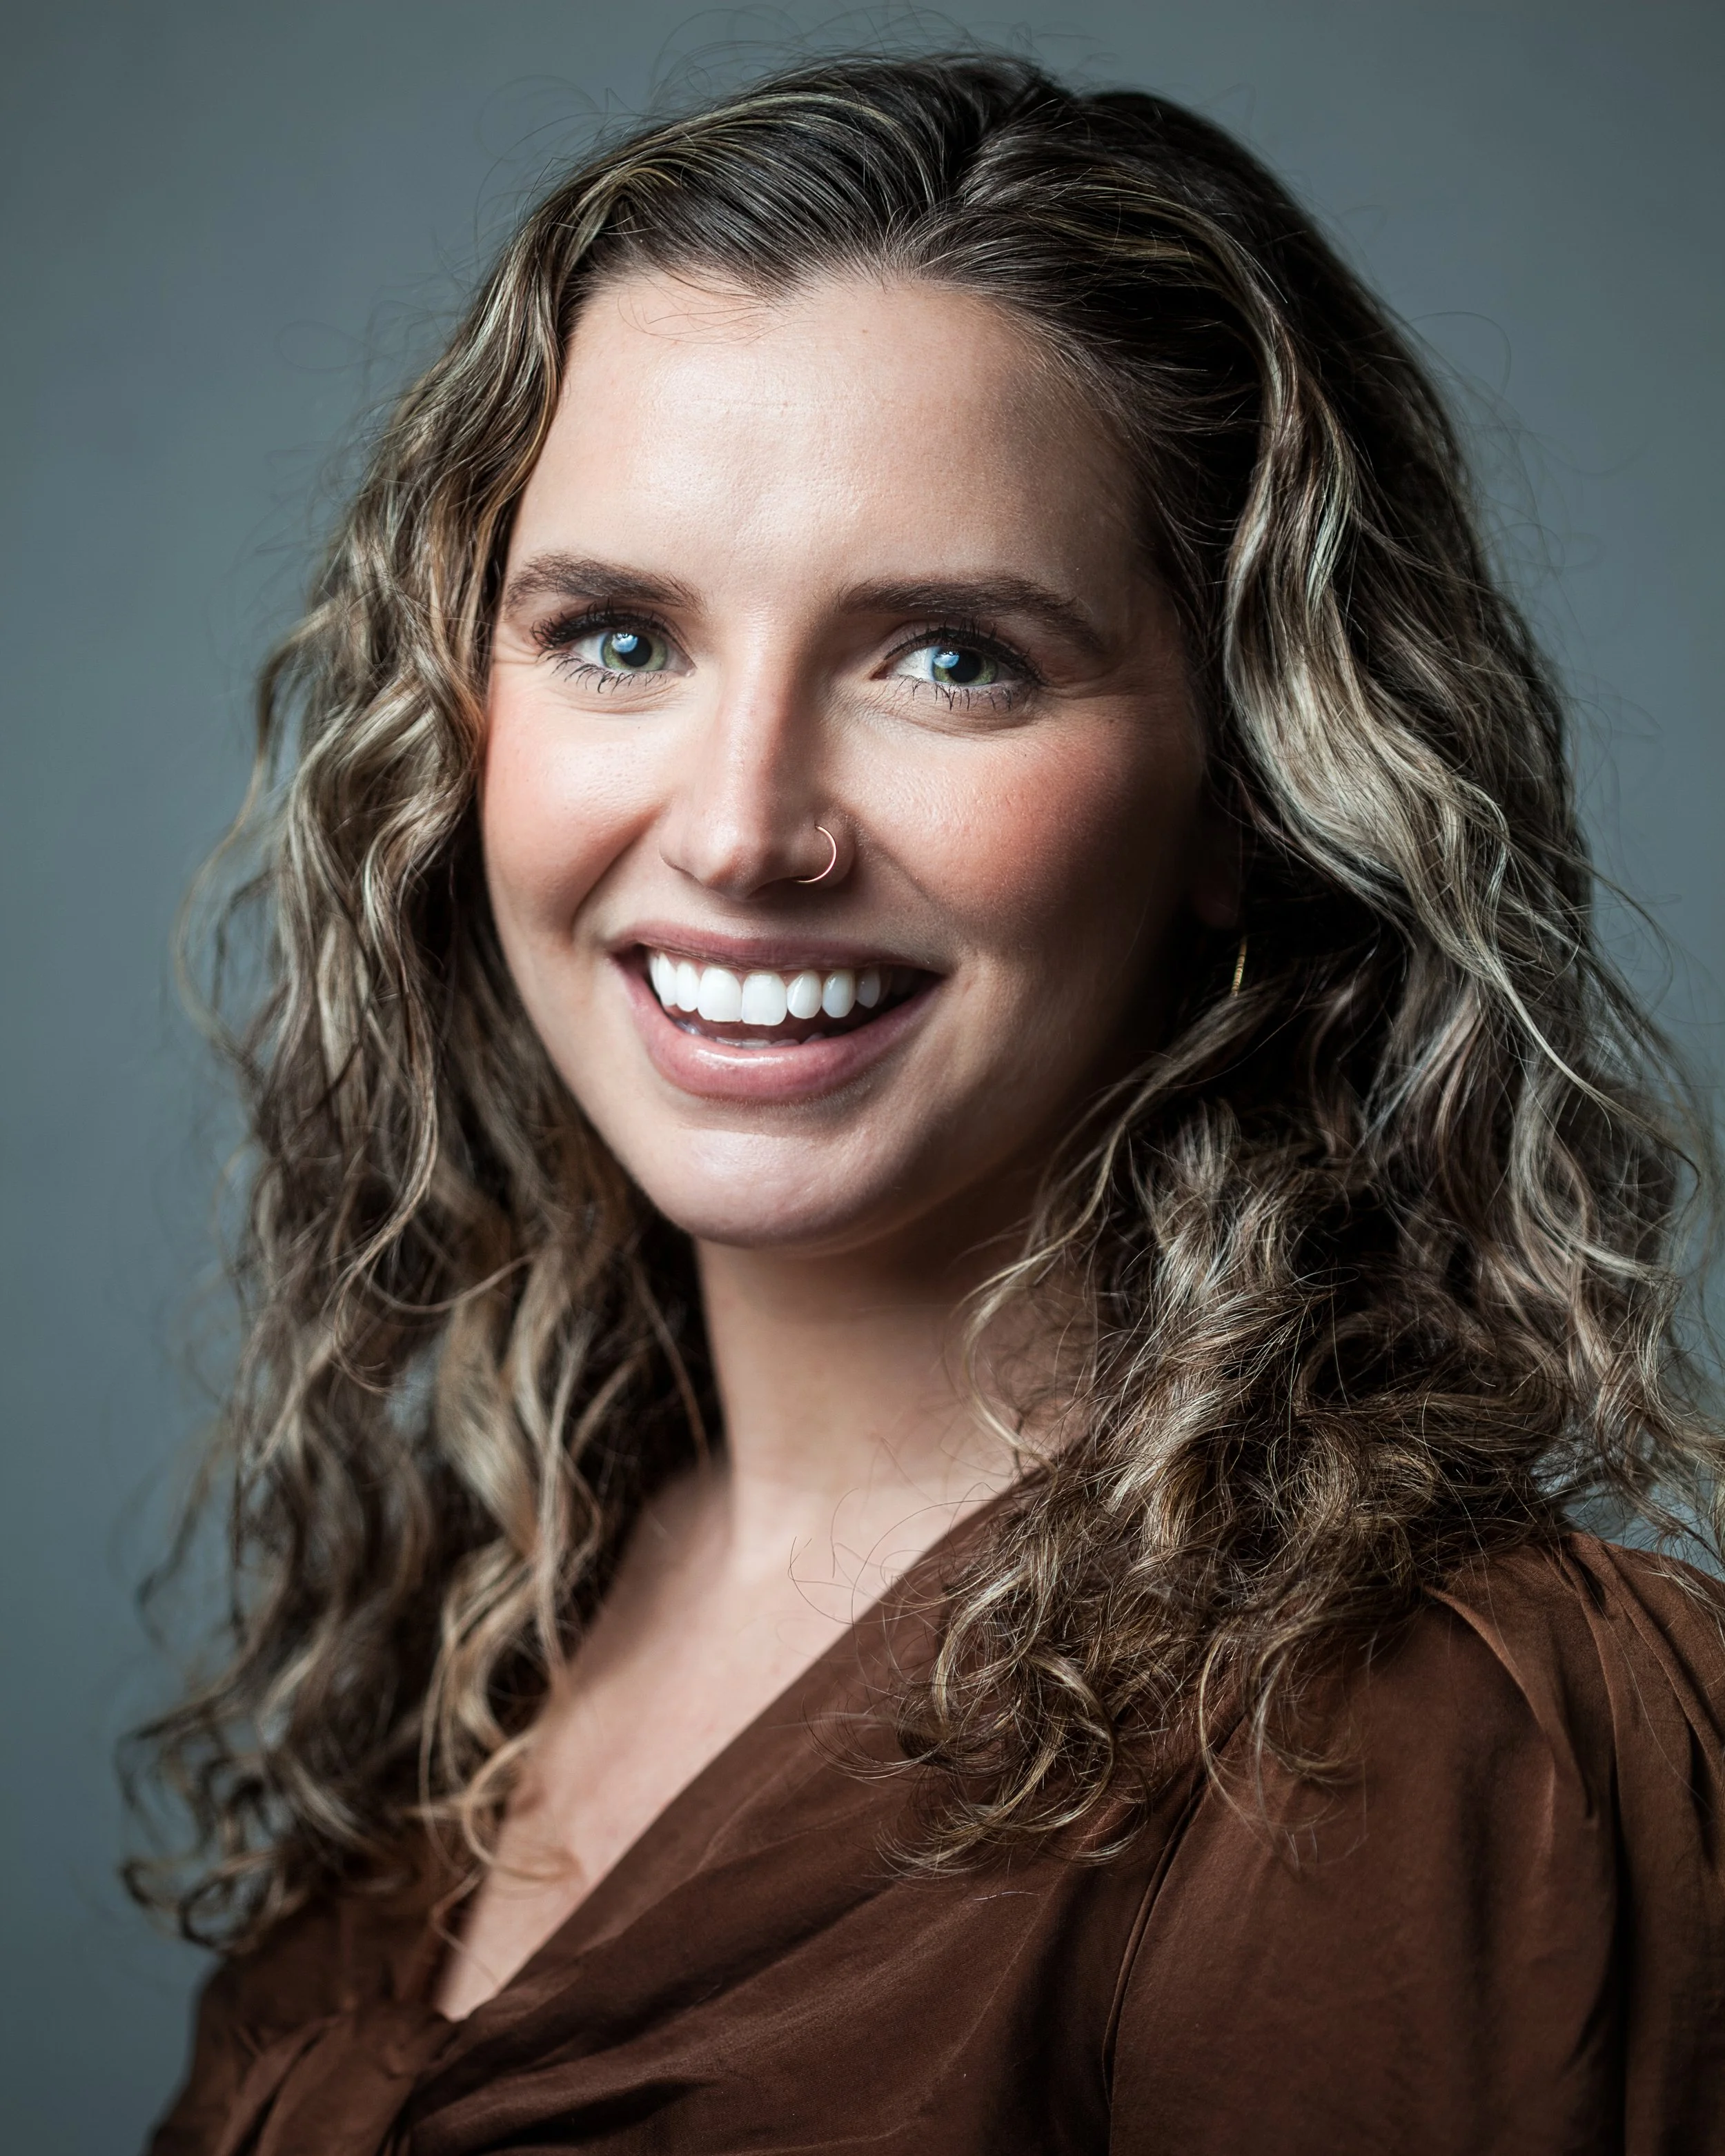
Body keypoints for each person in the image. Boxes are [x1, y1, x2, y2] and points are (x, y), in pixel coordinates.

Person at [132, 52, 1725, 2155]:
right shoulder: (480, 1620)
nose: (739, 825)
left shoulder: (1423, 1742)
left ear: (1242, 792)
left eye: (950, 659)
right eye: (618, 636)